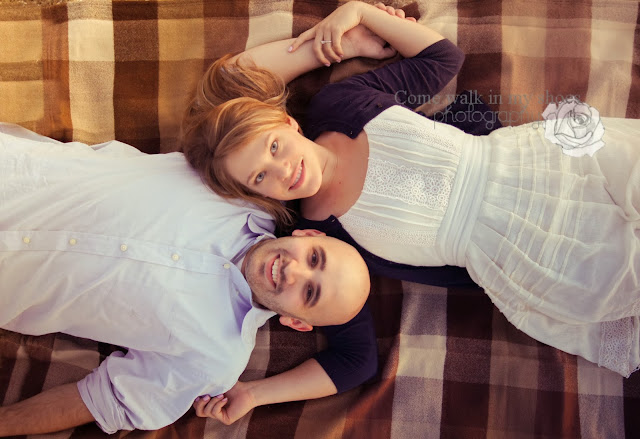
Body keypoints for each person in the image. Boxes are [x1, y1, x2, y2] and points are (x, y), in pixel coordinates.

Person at [179, 0, 640, 414]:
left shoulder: (340, 104)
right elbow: (354, 361)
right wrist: (255, 394)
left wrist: (354, 19)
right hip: (527, 256)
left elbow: (442, 59)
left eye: (274, 146)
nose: (282, 170)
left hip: (537, 165)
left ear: (286, 122)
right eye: (260, 178)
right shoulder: (318, 240)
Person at [0, 122, 373, 436]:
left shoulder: (216, 359)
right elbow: (243, 93)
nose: (294, 271)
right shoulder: (243, 187)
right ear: (309, 235)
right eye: (314, 258)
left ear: (296, 322)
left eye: (309, 292)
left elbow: (102, 400)